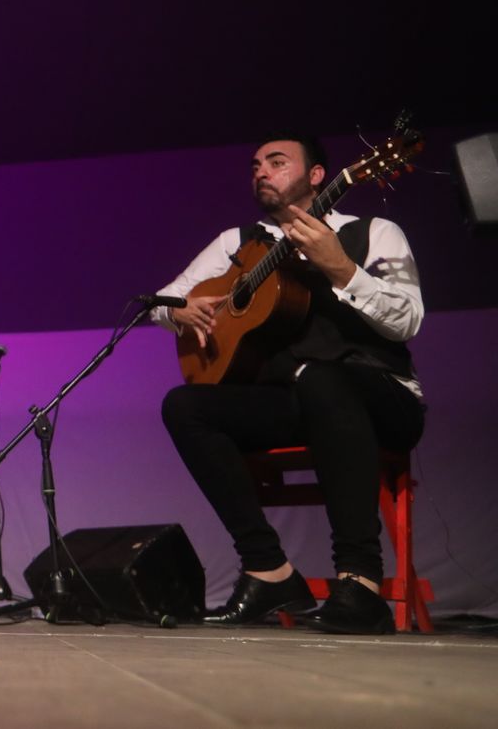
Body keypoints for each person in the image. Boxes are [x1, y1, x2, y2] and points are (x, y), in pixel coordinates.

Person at [156, 135, 425, 634]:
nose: (261, 171)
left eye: (277, 162)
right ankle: (268, 570)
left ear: (318, 176)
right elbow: (163, 300)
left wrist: (340, 266)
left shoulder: (373, 231)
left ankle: (360, 583)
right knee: (185, 406)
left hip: (379, 397)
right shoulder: (237, 243)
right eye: (256, 164)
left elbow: (408, 320)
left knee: (320, 377)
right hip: (297, 402)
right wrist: (179, 311)